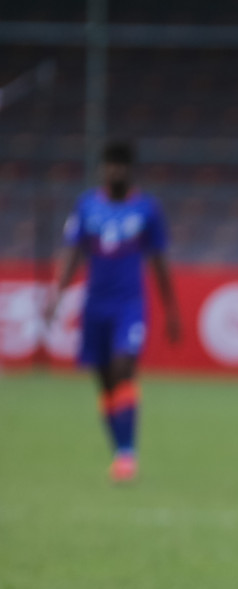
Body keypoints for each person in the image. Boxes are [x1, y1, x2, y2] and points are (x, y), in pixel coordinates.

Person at [43, 139, 180, 483]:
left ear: (130, 170)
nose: (114, 170)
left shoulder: (147, 209)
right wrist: (56, 294)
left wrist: (171, 309)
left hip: (130, 305)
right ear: (102, 169)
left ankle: (127, 455)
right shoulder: (87, 206)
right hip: (95, 307)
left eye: (120, 165)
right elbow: (73, 252)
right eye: (109, 164)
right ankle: (120, 450)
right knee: (104, 383)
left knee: (123, 367)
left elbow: (159, 261)